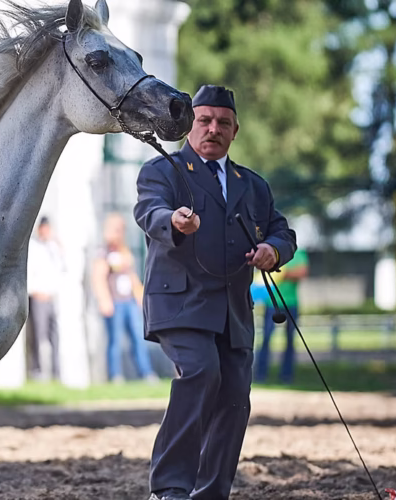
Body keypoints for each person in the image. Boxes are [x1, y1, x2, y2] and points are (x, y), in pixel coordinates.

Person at [133, 84, 297, 500]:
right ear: (190, 125)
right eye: (204, 120)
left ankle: (211, 493)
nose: (213, 129)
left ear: (235, 130)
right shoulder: (163, 170)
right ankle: (169, 489)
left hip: (234, 311)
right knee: (201, 373)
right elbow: (149, 211)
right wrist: (174, 220)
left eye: (223, 122)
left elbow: (283, 231)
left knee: (235, 398)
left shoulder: (253, 185)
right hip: (180, 303)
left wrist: (272, 249)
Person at [91, 212, 157, 383]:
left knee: (138, 338)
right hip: (115, 302)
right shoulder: (104, 252)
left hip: (129, 302)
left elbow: (132, 276)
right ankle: (115, 375)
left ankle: (146, 373)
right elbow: (98, 278)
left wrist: (140, 295)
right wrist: (104, 300)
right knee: (115, 341)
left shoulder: (125, 251)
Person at [254, 247, 309, 383]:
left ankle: (286, 376)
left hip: (291, 303)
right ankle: (260, 375)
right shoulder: (270, 249)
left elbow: (302, 272)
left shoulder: (298, 253)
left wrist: (282, 273)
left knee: (290, 340)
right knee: (266, 339)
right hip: (271, 303)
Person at [26, 216, 65, 381]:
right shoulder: (34, 247)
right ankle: (36, 369)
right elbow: (29, 272)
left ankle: (56, 370)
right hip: (38, 296)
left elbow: (61, 267)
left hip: (50, 296)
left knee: (54, 335)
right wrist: (34, 291)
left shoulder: (52, 247)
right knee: (37, 335)